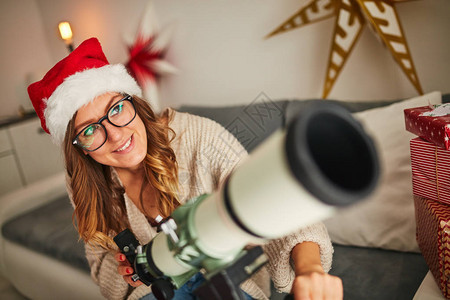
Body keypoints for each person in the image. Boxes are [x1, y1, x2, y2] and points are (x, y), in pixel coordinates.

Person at [28, 37, 343, 300]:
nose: (115, 134)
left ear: (134, 101)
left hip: (230, 286)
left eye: (117, 108)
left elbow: (272, 203)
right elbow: (100, 264)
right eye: (89, 131)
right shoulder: (83, 180)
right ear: (77, 147)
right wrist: (130, 273)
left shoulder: (200, 138)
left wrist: (310, 270)